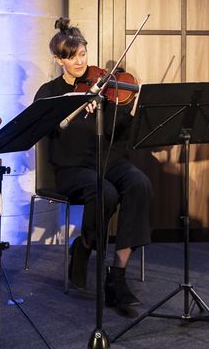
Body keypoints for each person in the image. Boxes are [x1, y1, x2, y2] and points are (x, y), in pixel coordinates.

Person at [32, 18, 152, 317]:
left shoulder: (105, 84)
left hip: (109, 159)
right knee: (105, 193)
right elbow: (40, 128)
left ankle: (118, 274)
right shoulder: (49, 92)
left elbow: (121, 132)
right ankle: (84, 246)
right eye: (71, 57)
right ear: (59, 59)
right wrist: (71, 104)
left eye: (83, 54)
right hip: (71, 168)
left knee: (140, 184)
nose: (80, 62)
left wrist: (131, 110)